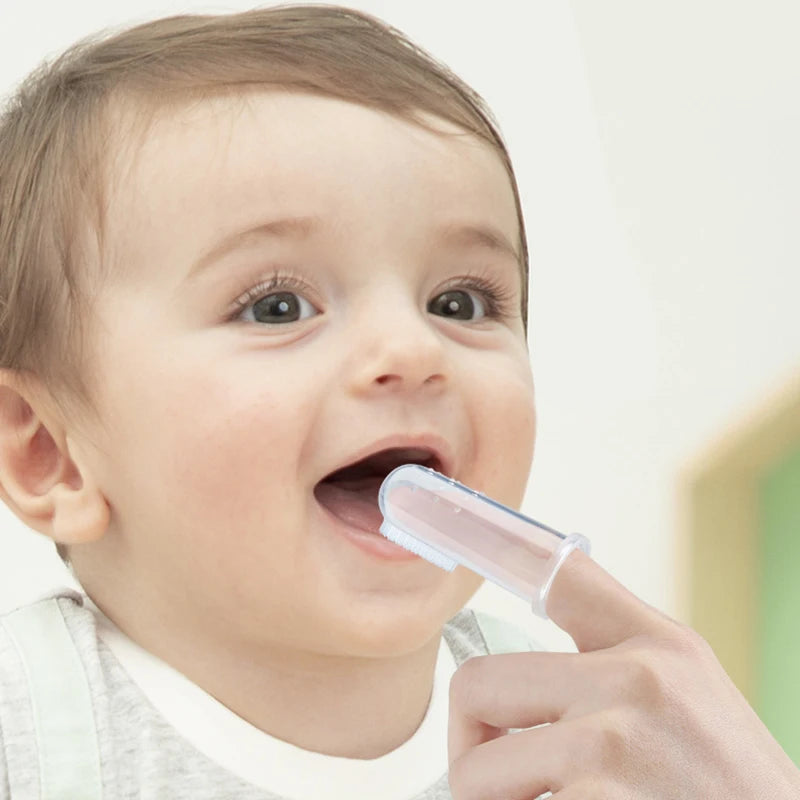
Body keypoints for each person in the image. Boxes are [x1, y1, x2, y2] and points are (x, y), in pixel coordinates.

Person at [0, 5, 796, 799]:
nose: (415, 351)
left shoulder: (582, 734)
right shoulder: (26, 727)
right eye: (276, 307)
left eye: (460, 303)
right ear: (51, 456)